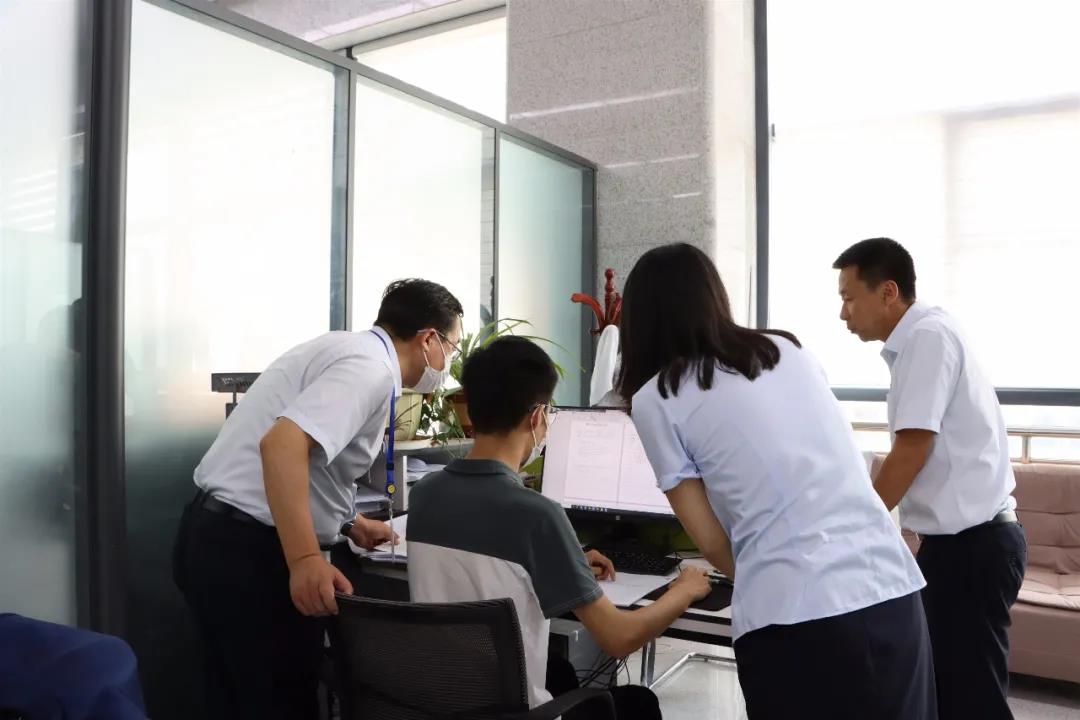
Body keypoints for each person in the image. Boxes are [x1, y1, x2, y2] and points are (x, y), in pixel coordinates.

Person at [616, 243, 936, 720]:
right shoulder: (787, 349)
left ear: (639, 321)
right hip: (890, 589)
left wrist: (761, 576)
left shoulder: (656, 398)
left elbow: (711, 541)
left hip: (794, 616)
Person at [172, 278, 464, 720]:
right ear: (428, 340)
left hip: (216, 536)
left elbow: (313, 464)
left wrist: (349, 522)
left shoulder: (347, 348)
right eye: (452, 348)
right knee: (278, 703)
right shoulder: (371, 370)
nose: (449, 363)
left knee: (235, 699)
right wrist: (306, 558)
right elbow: (281, 446)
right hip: (251, 555)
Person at [407, 336, 712, 720]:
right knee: (639, 703)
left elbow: (482, 568)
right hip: (514, 711)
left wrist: (564, 561)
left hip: (444, 703)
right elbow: (619, 638)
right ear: (536, 417)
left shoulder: (424, 495)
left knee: (562, 673)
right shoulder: (537, 516)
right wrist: (683, 591)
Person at [834, 237, 1027, 719]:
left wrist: (857, 528)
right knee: (945, 688)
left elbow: (911, 450)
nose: (843, 314)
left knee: (972, 698)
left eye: (849, 298)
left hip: (974, 548)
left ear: (888, 292)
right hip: (960, 546)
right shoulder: (922, 338)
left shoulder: (927, 337)